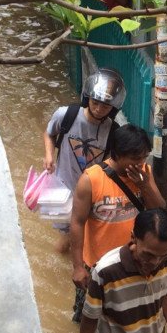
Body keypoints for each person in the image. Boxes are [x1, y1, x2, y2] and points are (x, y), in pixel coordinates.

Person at [69, 123, 165, 322]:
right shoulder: (91, 180)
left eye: (144, 157)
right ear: (117, 154)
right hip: (96, 264)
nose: (141, 162)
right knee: (87, 317)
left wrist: (145, 186)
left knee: (128, 316)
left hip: (133, 261)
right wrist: (77, 267)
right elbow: (77, 223)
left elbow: (159, 212)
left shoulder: (144, 173)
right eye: (135, 158)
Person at [41, 68, 126, 253]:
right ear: (87, 98)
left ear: (114, 108)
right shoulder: (66, 115)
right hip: (64, 189)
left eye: (105, 106)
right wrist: (48, 156)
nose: (98, 109)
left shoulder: (114, 132)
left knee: (86, 236)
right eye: (95, 102)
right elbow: (49, 134)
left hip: (92, 193)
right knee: (67, 238)